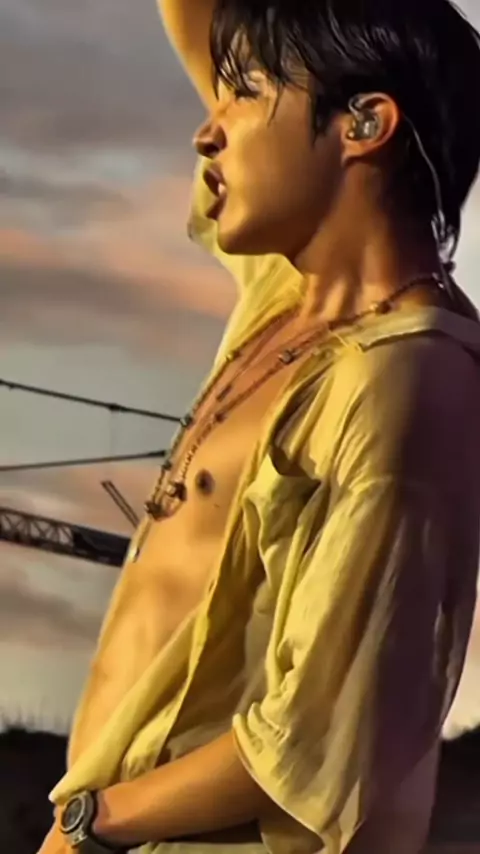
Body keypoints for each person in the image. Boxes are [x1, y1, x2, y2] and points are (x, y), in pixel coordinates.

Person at [39, 1, 480, 853]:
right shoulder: (290, 304)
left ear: (364, 123)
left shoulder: (406, 381)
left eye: (243, 91)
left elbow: (318, 731)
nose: (207, 131)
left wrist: (93, 825)